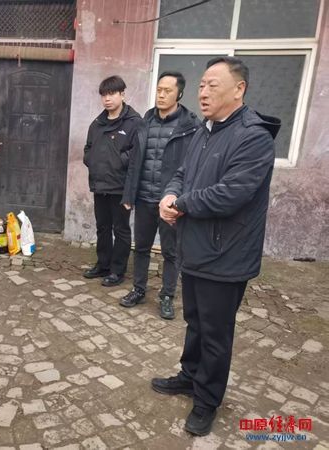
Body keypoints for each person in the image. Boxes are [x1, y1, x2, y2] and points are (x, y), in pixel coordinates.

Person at [151, 57, 280, 436]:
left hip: (227, 255)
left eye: (213, 85)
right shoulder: (203, 131)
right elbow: (182, 172)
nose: (203, 93)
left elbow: (232, 193)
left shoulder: (253, 137)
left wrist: (181, 204)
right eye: (201, 85)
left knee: (216, 333)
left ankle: (207, 400)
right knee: (195, 321)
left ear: (239, 89)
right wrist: (170, 193)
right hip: (195, 247)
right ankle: (190, 376)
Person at [119, 71, 199, 319]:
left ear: (179, 94)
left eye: (168, 91)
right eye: (159, 90)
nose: (161, 95)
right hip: (144, 198)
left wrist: (182, 200)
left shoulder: (190, 126)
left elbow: (192, 167)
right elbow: (135, 161)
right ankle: (139, 289)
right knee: (141, 247)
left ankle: (167, 296)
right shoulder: (145, 121)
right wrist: (129, 194)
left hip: (170, 202)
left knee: (171, 252)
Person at [82, 75, 146, 287]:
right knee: (102, 227)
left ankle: (117, 271)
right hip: (100, 185)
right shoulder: (97, 123)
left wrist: (120, 161)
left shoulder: (134, 123)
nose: (107, 99)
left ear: (122, 94)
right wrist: (91, 160)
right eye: (104, 95)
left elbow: (137, 156)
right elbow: (88, 148)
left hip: (121, 187)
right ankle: (103, 265)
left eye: (112, 94)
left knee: (121, 230)